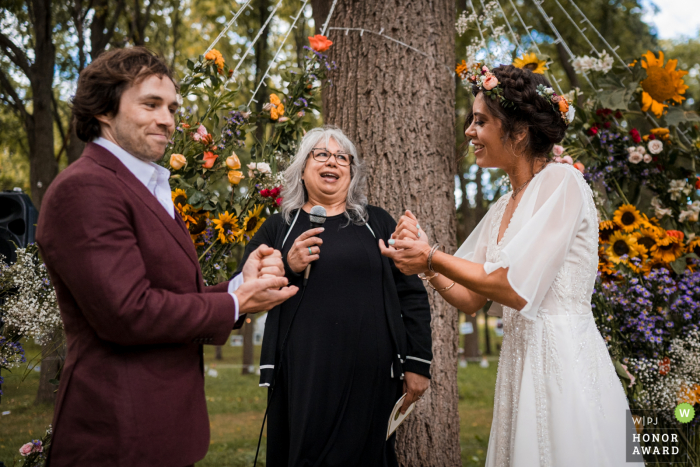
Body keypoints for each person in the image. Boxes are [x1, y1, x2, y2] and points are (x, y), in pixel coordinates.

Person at [36, 47, 297, 467]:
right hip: (118, 435)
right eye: (150, 104)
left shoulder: (145, 186)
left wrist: (238, 286)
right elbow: (128, 312)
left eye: (172, 107)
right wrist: (235, 304)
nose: (168, 119)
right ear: (105, 110)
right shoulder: (85, 189)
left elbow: (170, 294)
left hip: (161, 431)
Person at [381, 65, 643, 466]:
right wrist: (425, 264)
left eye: (481, 121)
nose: (469, 131)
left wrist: (431, 255)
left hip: (564, 363)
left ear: (519, 132)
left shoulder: (563, 183)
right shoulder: (503, 205)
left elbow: (514, 288)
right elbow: (470, 297)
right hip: (519, 363)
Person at [235, 126, 433, 466]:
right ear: (302, 167)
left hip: (371, 375)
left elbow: (412, 295)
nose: (333, 162)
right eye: (322, 154)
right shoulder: (279, 227)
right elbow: (242, 294)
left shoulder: (377, 223)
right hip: (304, 373)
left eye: (343, 158)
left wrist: (418, 363)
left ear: (352, 173)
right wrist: (288, 265)